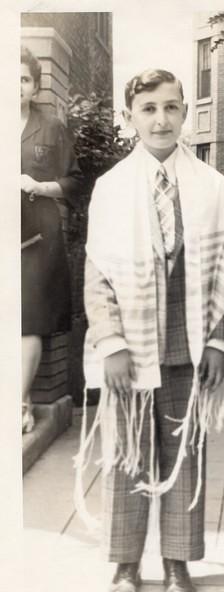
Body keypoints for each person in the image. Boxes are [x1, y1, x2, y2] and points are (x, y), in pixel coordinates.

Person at [78, 69, 224, 592]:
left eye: (172, 108)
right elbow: (98, 273)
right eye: (148, 109)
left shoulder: (210, 186)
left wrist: (219, 343)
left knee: (184, 452)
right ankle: (126, 564)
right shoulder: (111, 188)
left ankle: (176, 562)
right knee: (128, 453)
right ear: (130, 118)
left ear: (185, 114)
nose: (161, 119)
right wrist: (111, 343)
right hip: (131, 347)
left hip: (188, 344)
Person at [20, 45, 82, 432]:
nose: (14, 86)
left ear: (34, 85)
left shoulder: (52, 128)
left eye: (23, 79)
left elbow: (75, 183)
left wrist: (39, 186)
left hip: (36, 240)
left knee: (28, 323)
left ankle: (19, 404)